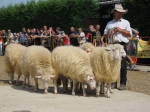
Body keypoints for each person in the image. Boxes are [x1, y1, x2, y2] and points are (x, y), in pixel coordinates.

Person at [102, 4, 132, 90]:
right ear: (114, 12)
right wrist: (110, 33)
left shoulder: (126, 22)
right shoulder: (109, 23)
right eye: (118, 12)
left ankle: (123, 83)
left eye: (121, 12)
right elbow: (105, 35)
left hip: (122, 45)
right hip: (113, 45)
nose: (120, 14)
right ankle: (113, 82)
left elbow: (129, 34)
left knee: (123, 65)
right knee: (112, 64)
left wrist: (120, 30)